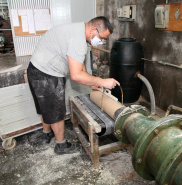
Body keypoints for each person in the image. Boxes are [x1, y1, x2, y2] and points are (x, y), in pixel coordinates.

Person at [27, 16, 119, 155]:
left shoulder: (78, 30)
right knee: (56, 112)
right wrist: (102, 81)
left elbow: (79, 63)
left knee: (46, 106)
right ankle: (61, 146)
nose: (101, 42)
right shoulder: (78, 41)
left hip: (36, 69)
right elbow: (76, 76)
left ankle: (46, 134)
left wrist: (92, 83)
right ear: (94, 30)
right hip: (47, 75)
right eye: (102, 38)